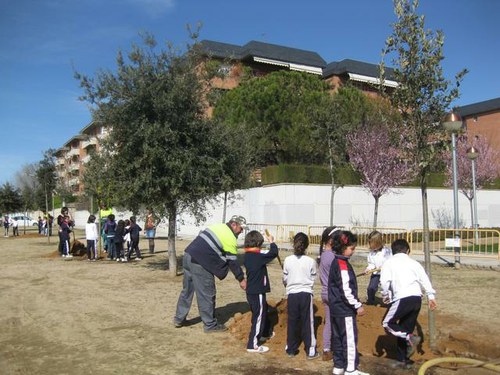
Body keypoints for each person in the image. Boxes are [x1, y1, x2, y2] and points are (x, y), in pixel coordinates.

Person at [174, 215, 248, 333]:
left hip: (188, 256)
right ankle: (210, 325)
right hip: (200, 262)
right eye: (241, 228)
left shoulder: (218, 227)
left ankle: (179, 319)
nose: (242, 231)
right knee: (207, 293)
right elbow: (232, 262)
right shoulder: (230, 237)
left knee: (187, 290)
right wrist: (241, 280)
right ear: (234, 225)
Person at [380, 239, 437, 369]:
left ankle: (409, 337)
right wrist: (431, 296)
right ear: (408, 251)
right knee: (404, 328)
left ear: (393, 251)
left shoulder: (388, 263)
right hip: (416, 299)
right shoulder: (414, 263)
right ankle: (403, 360)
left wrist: (385, 295)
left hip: (402, 298)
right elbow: (424, 279)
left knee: (387, 323)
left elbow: (384, 282)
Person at [328, 230, 369, 375]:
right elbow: (346, 290)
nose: (353, 251)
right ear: (343, 248)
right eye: (352, 248)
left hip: (335, 309)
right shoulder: (342, 265)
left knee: (338, 338)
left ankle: (338, 366)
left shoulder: (336, 262)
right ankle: (351, 369)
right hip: (344, 309)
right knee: (349, 339)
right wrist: (357, 305)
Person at [283, 232, 320, 360]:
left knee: (292, 321)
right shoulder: (311, 261)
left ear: (293, 244)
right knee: (308, 322)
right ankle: (311, 351)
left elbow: (285, 278)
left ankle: (290, 349)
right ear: (307, 246)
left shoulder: (287, 260)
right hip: (305, 294)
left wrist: (287, 282)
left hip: (292, 294)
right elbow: (313, 278)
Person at [244, 230, 279, 353]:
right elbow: (273, 253)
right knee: (258, 316)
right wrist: (272, 242)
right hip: (257, 291)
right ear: (258, 243)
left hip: (251, 291)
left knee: (262, 312)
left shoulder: (248, 255)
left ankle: (264, 333)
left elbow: (264, 254)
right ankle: (252, 344)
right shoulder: (258, 257)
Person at [319, 226, 338, 361]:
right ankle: (339, 348)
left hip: (325, 292)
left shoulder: (323, 255)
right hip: (334, 293)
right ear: (331, 240)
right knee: (338, 322)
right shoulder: (332, 257)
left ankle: (326, 350)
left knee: (329, 322)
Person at [361, 231, 392, 305]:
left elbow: (391, 261)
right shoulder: (371, 253)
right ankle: (371, 302)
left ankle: (389, 303)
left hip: (386, 274)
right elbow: (371, 264)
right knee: (371, 288)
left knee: (387, 288)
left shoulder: (387, 251)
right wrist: (368, 269)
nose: (371, 246)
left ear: (378, 242)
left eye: (373, 244)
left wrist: (385, 267)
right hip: (376, 274)